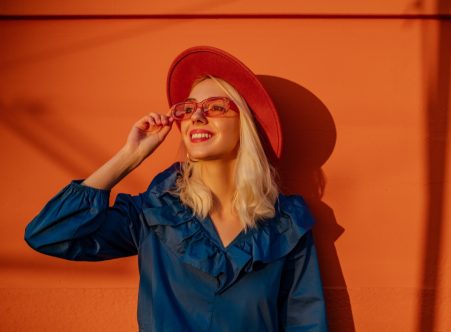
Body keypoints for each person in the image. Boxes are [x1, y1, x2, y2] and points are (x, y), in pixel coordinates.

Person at [25, 46, 328, 332]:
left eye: (215, 107)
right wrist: (130, 156)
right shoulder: (153, 213)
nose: (197, 116)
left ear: (245, 123)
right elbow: (48, 234)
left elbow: (306, 320)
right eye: (188, 109)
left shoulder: (285, 223)